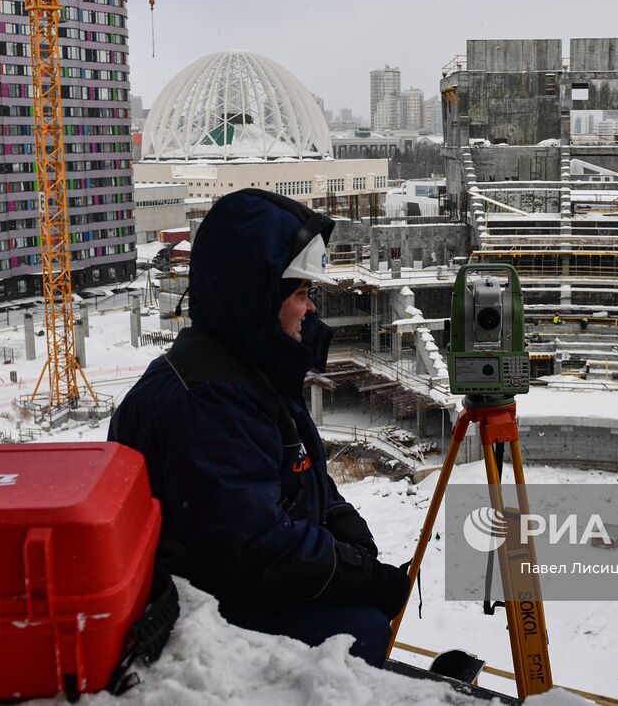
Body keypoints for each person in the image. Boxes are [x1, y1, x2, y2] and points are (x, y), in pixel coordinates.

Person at [109, 190, 411, 666]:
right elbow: (252, 545)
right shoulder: (211, 400)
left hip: (231, 583)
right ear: (255, 296)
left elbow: (300, 475)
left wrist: (338, 519)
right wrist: (357, 574)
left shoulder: (249, 371)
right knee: (361, 630)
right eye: (299, 293)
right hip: (202, 615)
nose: (311, 309)